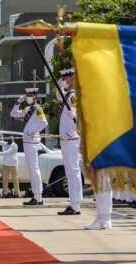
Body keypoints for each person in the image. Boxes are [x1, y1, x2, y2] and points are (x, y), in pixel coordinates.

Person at [10, 88, 48, 205]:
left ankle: (38, 196)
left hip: (32, 142)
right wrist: (18, 102)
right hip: (27, 142)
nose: (29, 98)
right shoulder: (27, 109)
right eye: (27, 96)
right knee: (32, 169)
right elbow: (13, 113)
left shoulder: (38, 109)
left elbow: (44, 122)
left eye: (31, 95)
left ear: (36, 97)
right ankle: (36, 196)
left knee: (34, 169)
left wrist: (33, 132)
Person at [56, 68, 83, 215]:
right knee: (70, 172)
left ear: (72, 79)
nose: (64, 82)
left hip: (71, 138)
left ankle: (76, 204)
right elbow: (57, 94)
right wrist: (61, 80)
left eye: (67, 79)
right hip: (66, 139)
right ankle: (74, 202)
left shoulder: (74, 96)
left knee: (73, 171)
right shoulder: (67, 95)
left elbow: (78, 117)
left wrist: (70, 128)